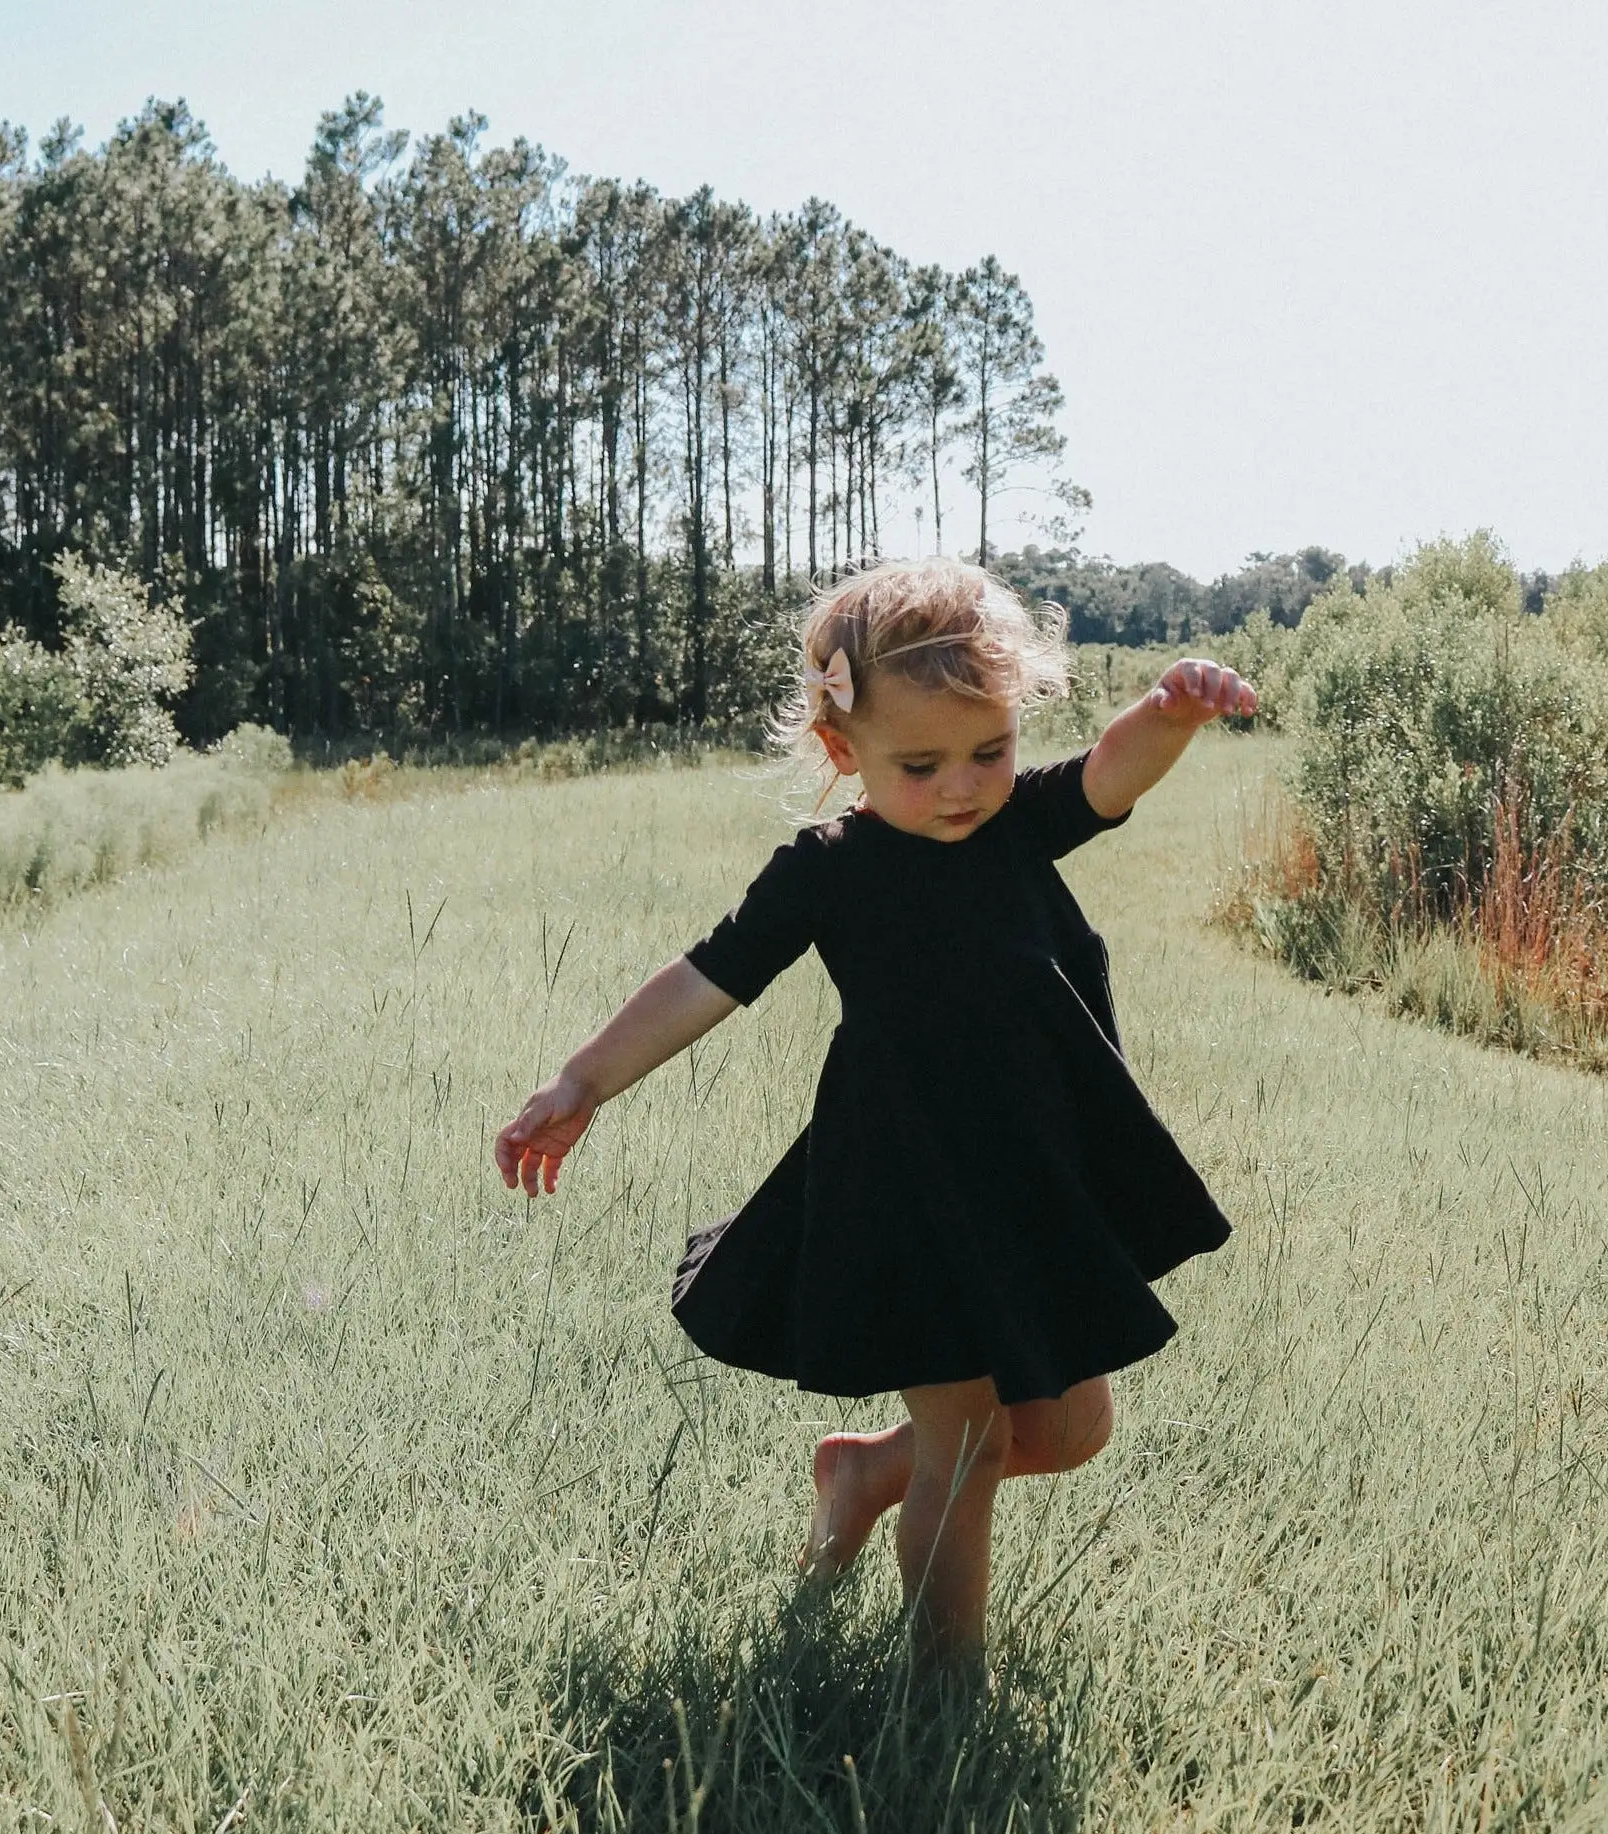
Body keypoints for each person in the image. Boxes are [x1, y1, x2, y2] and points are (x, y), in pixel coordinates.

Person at [493, 557, 1255, 1676]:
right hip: (910, 1190)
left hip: (1035, 1181)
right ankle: (943, 1695)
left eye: (988, 750)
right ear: (843, 750)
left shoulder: (1015, 823)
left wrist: (1171, 706)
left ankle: (860, 1471)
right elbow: (706, 978)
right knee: (973, 1447)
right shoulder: (829, 871)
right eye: (921, 764)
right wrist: (582, 1081)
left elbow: (1107, 774)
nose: (961, 785)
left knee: (1071, 1429)